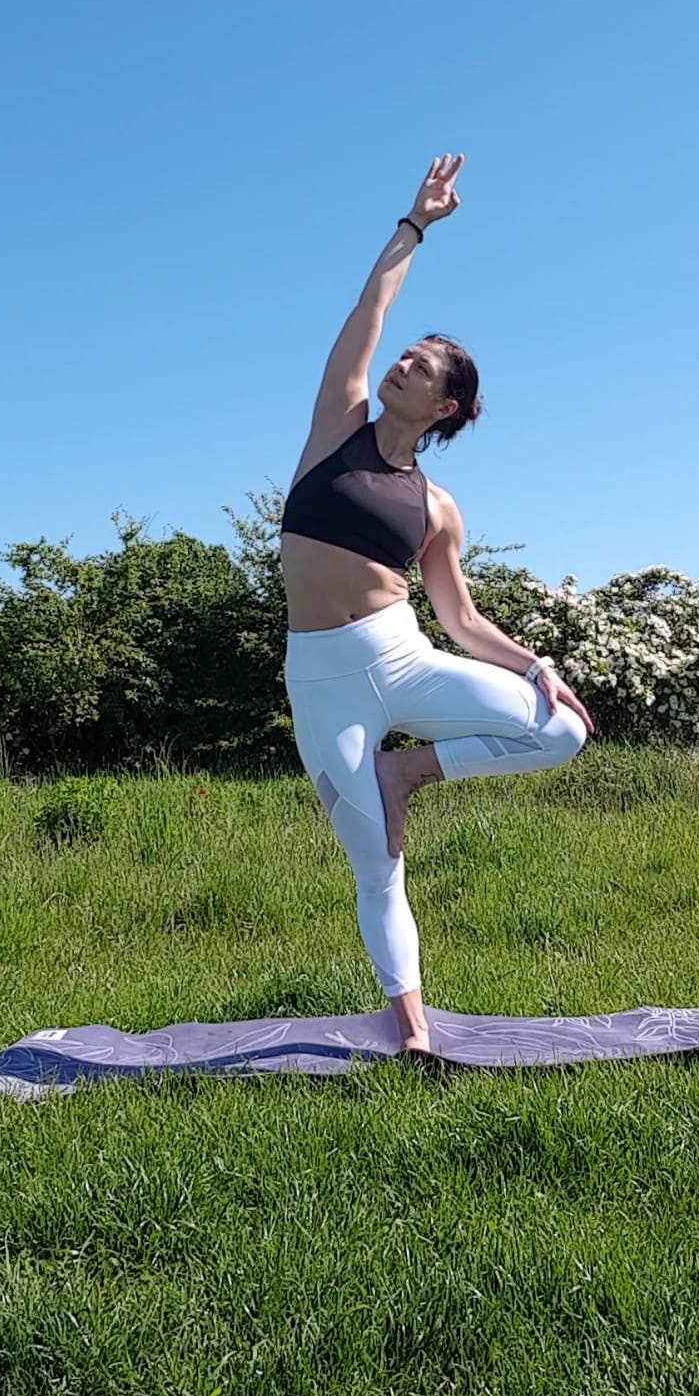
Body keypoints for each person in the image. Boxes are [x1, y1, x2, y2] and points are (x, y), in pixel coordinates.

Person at [280, 154, 594, 1055]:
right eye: (405, 353)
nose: (402, 359)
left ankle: (410, 770)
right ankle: (412, 1026)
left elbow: (459, 621)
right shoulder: (336, 423)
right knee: (375, 864)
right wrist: (412, 226)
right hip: (324, 681)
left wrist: (537, 664)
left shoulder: (436, 508)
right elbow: (366, 315)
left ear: (445, 402)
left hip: (402, 657)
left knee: (559, 729)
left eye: (421, 363)